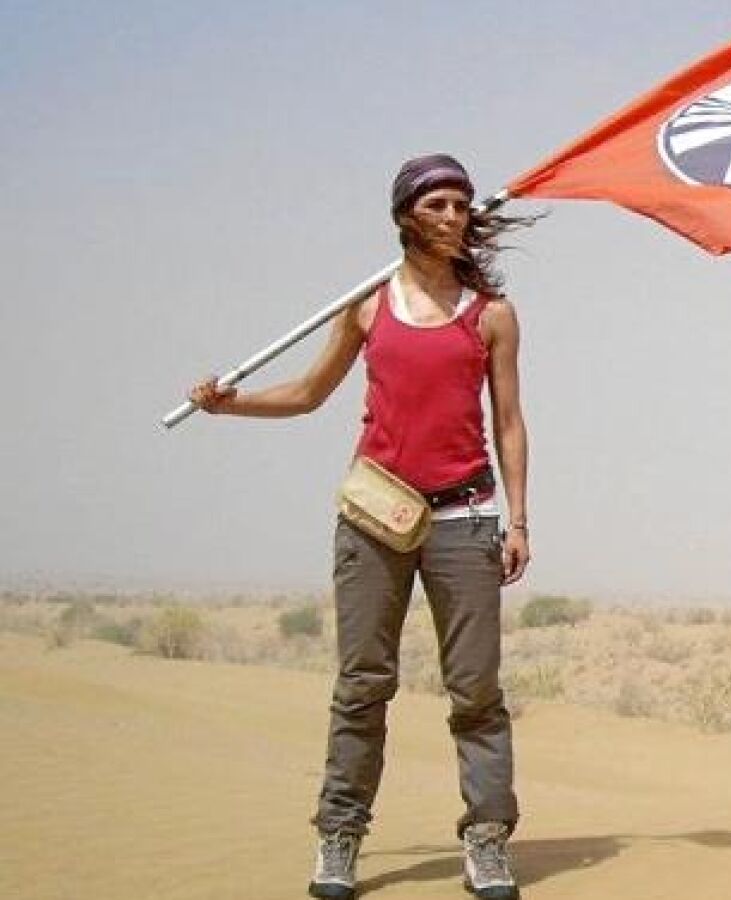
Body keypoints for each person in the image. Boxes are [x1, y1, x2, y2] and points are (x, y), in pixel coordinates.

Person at [190, 154, 533, 900]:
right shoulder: (367, 306)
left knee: (475, 690)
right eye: (437, 204)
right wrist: (230, 404)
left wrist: (518, 520)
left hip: (465, 517)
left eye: (461, 204)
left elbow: (508, 422)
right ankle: (339, 836)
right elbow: (310, 393)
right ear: (406, 215)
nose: (453, 216)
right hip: (376, 517)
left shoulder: (492, 314)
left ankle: (486, 839)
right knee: (362, 685)